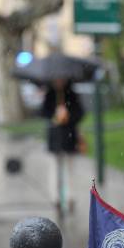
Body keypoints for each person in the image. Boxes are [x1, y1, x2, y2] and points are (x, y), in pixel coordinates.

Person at [40, 78, 85, 213]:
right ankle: (56, 198)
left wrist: (68, 115)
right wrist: (55, 115)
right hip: (55, 137)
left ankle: (71, 197)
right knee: (54, 167)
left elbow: (80, 113)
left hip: (69, 136)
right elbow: (44, 112)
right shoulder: (50, 94)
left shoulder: (72, 94)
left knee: (70, 168)